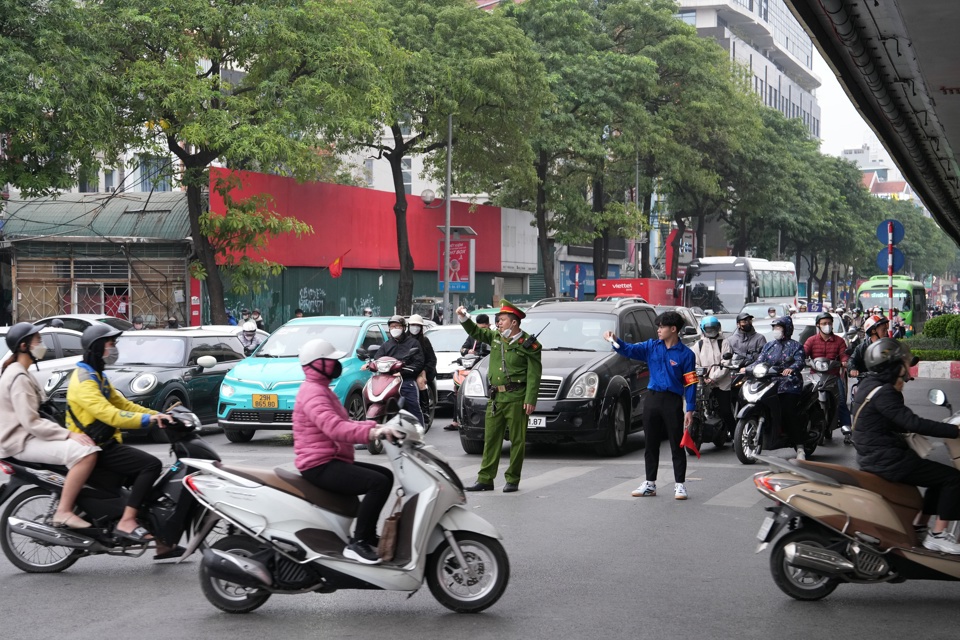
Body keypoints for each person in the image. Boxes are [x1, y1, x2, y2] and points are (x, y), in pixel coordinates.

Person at [65, 324, 177, 557]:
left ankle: (161, 541)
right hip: (94, 447)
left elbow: (123, 404)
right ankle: (127, 521)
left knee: (143, 481)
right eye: (110, 344)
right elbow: (110, 414)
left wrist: (156, 414)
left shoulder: (98, 375)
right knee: (150, 465)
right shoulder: (84, 380)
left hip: (105, 442)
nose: (114, 348)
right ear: (97, 347)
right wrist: (147, 422)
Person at [293, 339, 403, 565]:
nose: (336, 364)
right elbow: (335, 428)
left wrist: (378, 427)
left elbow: (344, 422)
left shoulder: (322, 390)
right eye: (331, 360)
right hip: (319, 464)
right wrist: (373, 434)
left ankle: (368, 535)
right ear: (318, 364)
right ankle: (359, 542)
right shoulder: (314, 393)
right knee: (377, 483)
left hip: (330, 459)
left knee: (386, 476)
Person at [852, 338, 960, 553]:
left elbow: (893, 421)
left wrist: (940, 427)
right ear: (894, 366)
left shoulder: (869, 385)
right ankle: (938, 534)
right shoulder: (885, 392)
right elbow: (910, 422)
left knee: (937, 478)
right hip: (886, 458)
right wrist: (954, 431)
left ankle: (920, 526)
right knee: (953, 479)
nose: (908, 367)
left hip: (874, 454)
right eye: (904, 362)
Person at [0, 323, 99, 528]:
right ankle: (63, 511)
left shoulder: (20, 371)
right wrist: (68, 435)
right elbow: (32, 422)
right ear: (24, 346)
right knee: (87, 452)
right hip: (21, 442)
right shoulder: (18, 377)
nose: (42, 344)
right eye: (38, 340)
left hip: (26, 437)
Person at [605, 311, 696, 500]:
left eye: (662, 326)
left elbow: (691, 383)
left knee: (676, 444)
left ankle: (680, 485)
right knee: (650, 443)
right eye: (658, 326)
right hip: (652, 399)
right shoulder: (651, 347)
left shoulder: (687, 355)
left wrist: (690, 408)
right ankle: (650, 484)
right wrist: (615, 340)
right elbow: (628, 350)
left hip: (672, 401)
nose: (658, 330)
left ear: (673, 329)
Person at [456, 301, 542, 493]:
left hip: (517, 397)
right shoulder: (495, 337)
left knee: (517, 440)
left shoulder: (530, 345)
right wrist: (463, 317)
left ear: (513, 323)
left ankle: (512, 478)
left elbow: (534, 374)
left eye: (502, 320)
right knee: (491, 439)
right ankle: (485, 479)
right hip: (496, 398)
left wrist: (530, 399)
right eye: (497, 320)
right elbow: (477, 333)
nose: (498, 323)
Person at [753, 315, 807, 459]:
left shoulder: (796, 346)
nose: (776, 330)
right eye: (775, 328)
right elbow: (759, 361)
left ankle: (800, 446)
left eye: (779, 327)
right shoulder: (769, 345)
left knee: (788, 412)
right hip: (769, 383)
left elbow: (800, 361)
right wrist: (746, 368)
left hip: (790, 384)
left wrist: (792, 368)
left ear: (787, 329)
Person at [802, 312, 852, 443]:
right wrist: (800, 359)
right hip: (815, 377)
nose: (827, 326)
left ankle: (847, 430)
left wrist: (845, 361)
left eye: (829, 323)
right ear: (818, 325)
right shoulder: (811, 340)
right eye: (824, 323)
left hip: (833, 377)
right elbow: (804, 352)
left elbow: (844, 355)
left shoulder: (839, 341)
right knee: (805, 401)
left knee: (841, 401)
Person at [370, 316, 425, 426]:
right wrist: (370, 364)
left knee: (413, 405)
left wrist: (403, 372)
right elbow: (377, 358)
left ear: (404, 327)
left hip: (405, 379)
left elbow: (419, 363)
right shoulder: (386, 345)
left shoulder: (413, 343)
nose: (395, 328)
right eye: (392, 326)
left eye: (397, 326)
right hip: (387, 379)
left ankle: (419, 430)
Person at [693, 316, 735, 446]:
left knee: (725, 411)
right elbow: (694, 363)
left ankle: (735, 436)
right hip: (703, 382)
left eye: (714, 328)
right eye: (709, 328)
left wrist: (713, 377)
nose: (711, 331)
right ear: (703, 329)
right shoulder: (698, 345)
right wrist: (702, 377)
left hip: (721, 382)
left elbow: (726, 363)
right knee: (696, 405)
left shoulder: (724, 343)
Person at [448, 314, 492, 431]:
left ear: (488, 325)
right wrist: (469, 351)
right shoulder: (472, 336)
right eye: (478, 328)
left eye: (483, 328)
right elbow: (462, 349)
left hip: (486, 367)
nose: (480, 330)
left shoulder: (491, 336)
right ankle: (455, 420)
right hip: (472, 366)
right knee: (458, 389)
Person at [406, 314, 436, 423]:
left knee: (420, 382)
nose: (415, 327)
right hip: (405, 370)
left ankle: (425, 411)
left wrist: (424, 371)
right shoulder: (403, 340)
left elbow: (432, 359)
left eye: (417, 325)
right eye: (413, 325)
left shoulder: (425, 341)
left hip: (420, 370)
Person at [849, 314, 890, 378]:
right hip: (866, 383)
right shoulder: (861, 348)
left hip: (885, 381)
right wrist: (852, 369)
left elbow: (897, 359)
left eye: (886, 330)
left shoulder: (889, 347)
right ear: (873, 331)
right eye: (883, 330)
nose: (886, 333)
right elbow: (852, 360)